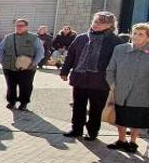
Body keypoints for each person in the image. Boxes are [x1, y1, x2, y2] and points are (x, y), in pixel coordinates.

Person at [61, 11, 124, 140]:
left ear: (110, 25)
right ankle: (76, 129)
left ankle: (92, 131)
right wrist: (64, 71)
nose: (96, 24)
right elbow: (71, 55)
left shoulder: (116, 41)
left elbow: (119, 63)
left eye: (101, 22)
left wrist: (116, 81)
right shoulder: (81, 38)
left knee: (96, 108)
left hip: (101, 82)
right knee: (78, 106)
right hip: (80, 78)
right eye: (95, 21)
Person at [105, 23, 149, 153]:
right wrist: (113, 86)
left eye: (141, 34)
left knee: (137, 117)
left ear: (147, 37)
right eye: (135, 33)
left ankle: (133, 142)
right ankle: (121, 140)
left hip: (142, 93)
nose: (136, 36)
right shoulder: (120, 49)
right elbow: (110, 69)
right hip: (121, 90)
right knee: (121, 116)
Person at [0, 19, 44, 110]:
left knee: (25, 86)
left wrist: (34, 63)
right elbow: (0, 50)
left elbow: (40, 51)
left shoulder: (34, 38)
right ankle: (11, 102)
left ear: (26, 27)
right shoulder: (8, 37)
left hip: (27, 68)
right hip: (9, 66)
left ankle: (23, 104)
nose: (19, 27)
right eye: (17, 25)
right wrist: (2, 61)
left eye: (21, 25)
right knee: (11, 86)